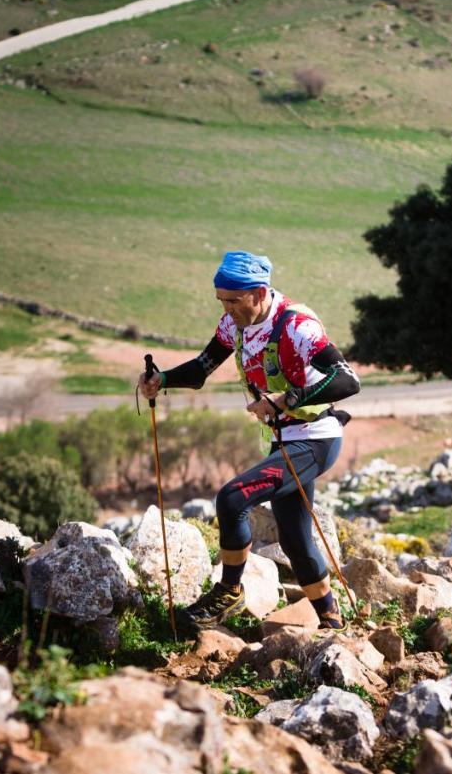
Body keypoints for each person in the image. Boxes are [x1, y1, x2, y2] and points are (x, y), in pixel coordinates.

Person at [140, 250, 360, 631]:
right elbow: (201, 369)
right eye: (221, 301)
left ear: (259, 293)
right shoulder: (234, 326)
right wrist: (163, 380)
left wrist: (287, 399)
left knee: (232, 497)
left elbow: (347, 380)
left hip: (315, 437)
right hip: (283, 440)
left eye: (233, 301)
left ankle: (229, 591)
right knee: (293, 538)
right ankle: (330, 617)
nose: (226, 310)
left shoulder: (296, 325)